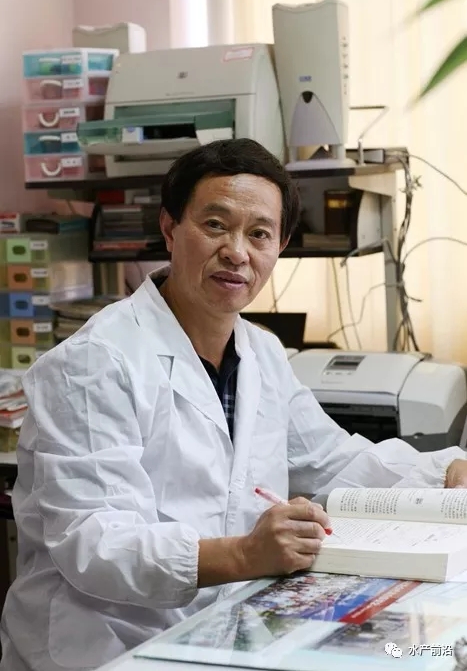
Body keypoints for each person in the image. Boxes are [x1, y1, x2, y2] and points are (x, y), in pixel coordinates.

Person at [1, 138, 466, 671]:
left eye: (259, 234)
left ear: (280, 246)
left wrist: (442, 472)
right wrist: (245, 554)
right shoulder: (91, 364)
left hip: (217, 629)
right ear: (170, 228)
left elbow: (332, 462)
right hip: (103, 647)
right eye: (216, 225)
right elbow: (97, 546)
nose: (237, 252)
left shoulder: (261, 352)